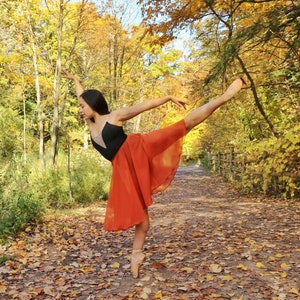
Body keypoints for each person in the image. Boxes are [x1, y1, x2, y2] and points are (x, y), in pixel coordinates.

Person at [63, 69, 245, 278]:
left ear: (93, 106)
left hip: (140, 148)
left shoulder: (114, 116)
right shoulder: (90, 124)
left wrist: (167, 97)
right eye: (80, 106)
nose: (80, 110)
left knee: (184, 125)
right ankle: (136, 255)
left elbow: (143, 106)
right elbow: (81, 95)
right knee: (143, 221)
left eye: (82, 106)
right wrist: (76, 79)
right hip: (124, 171)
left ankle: (225, 96)